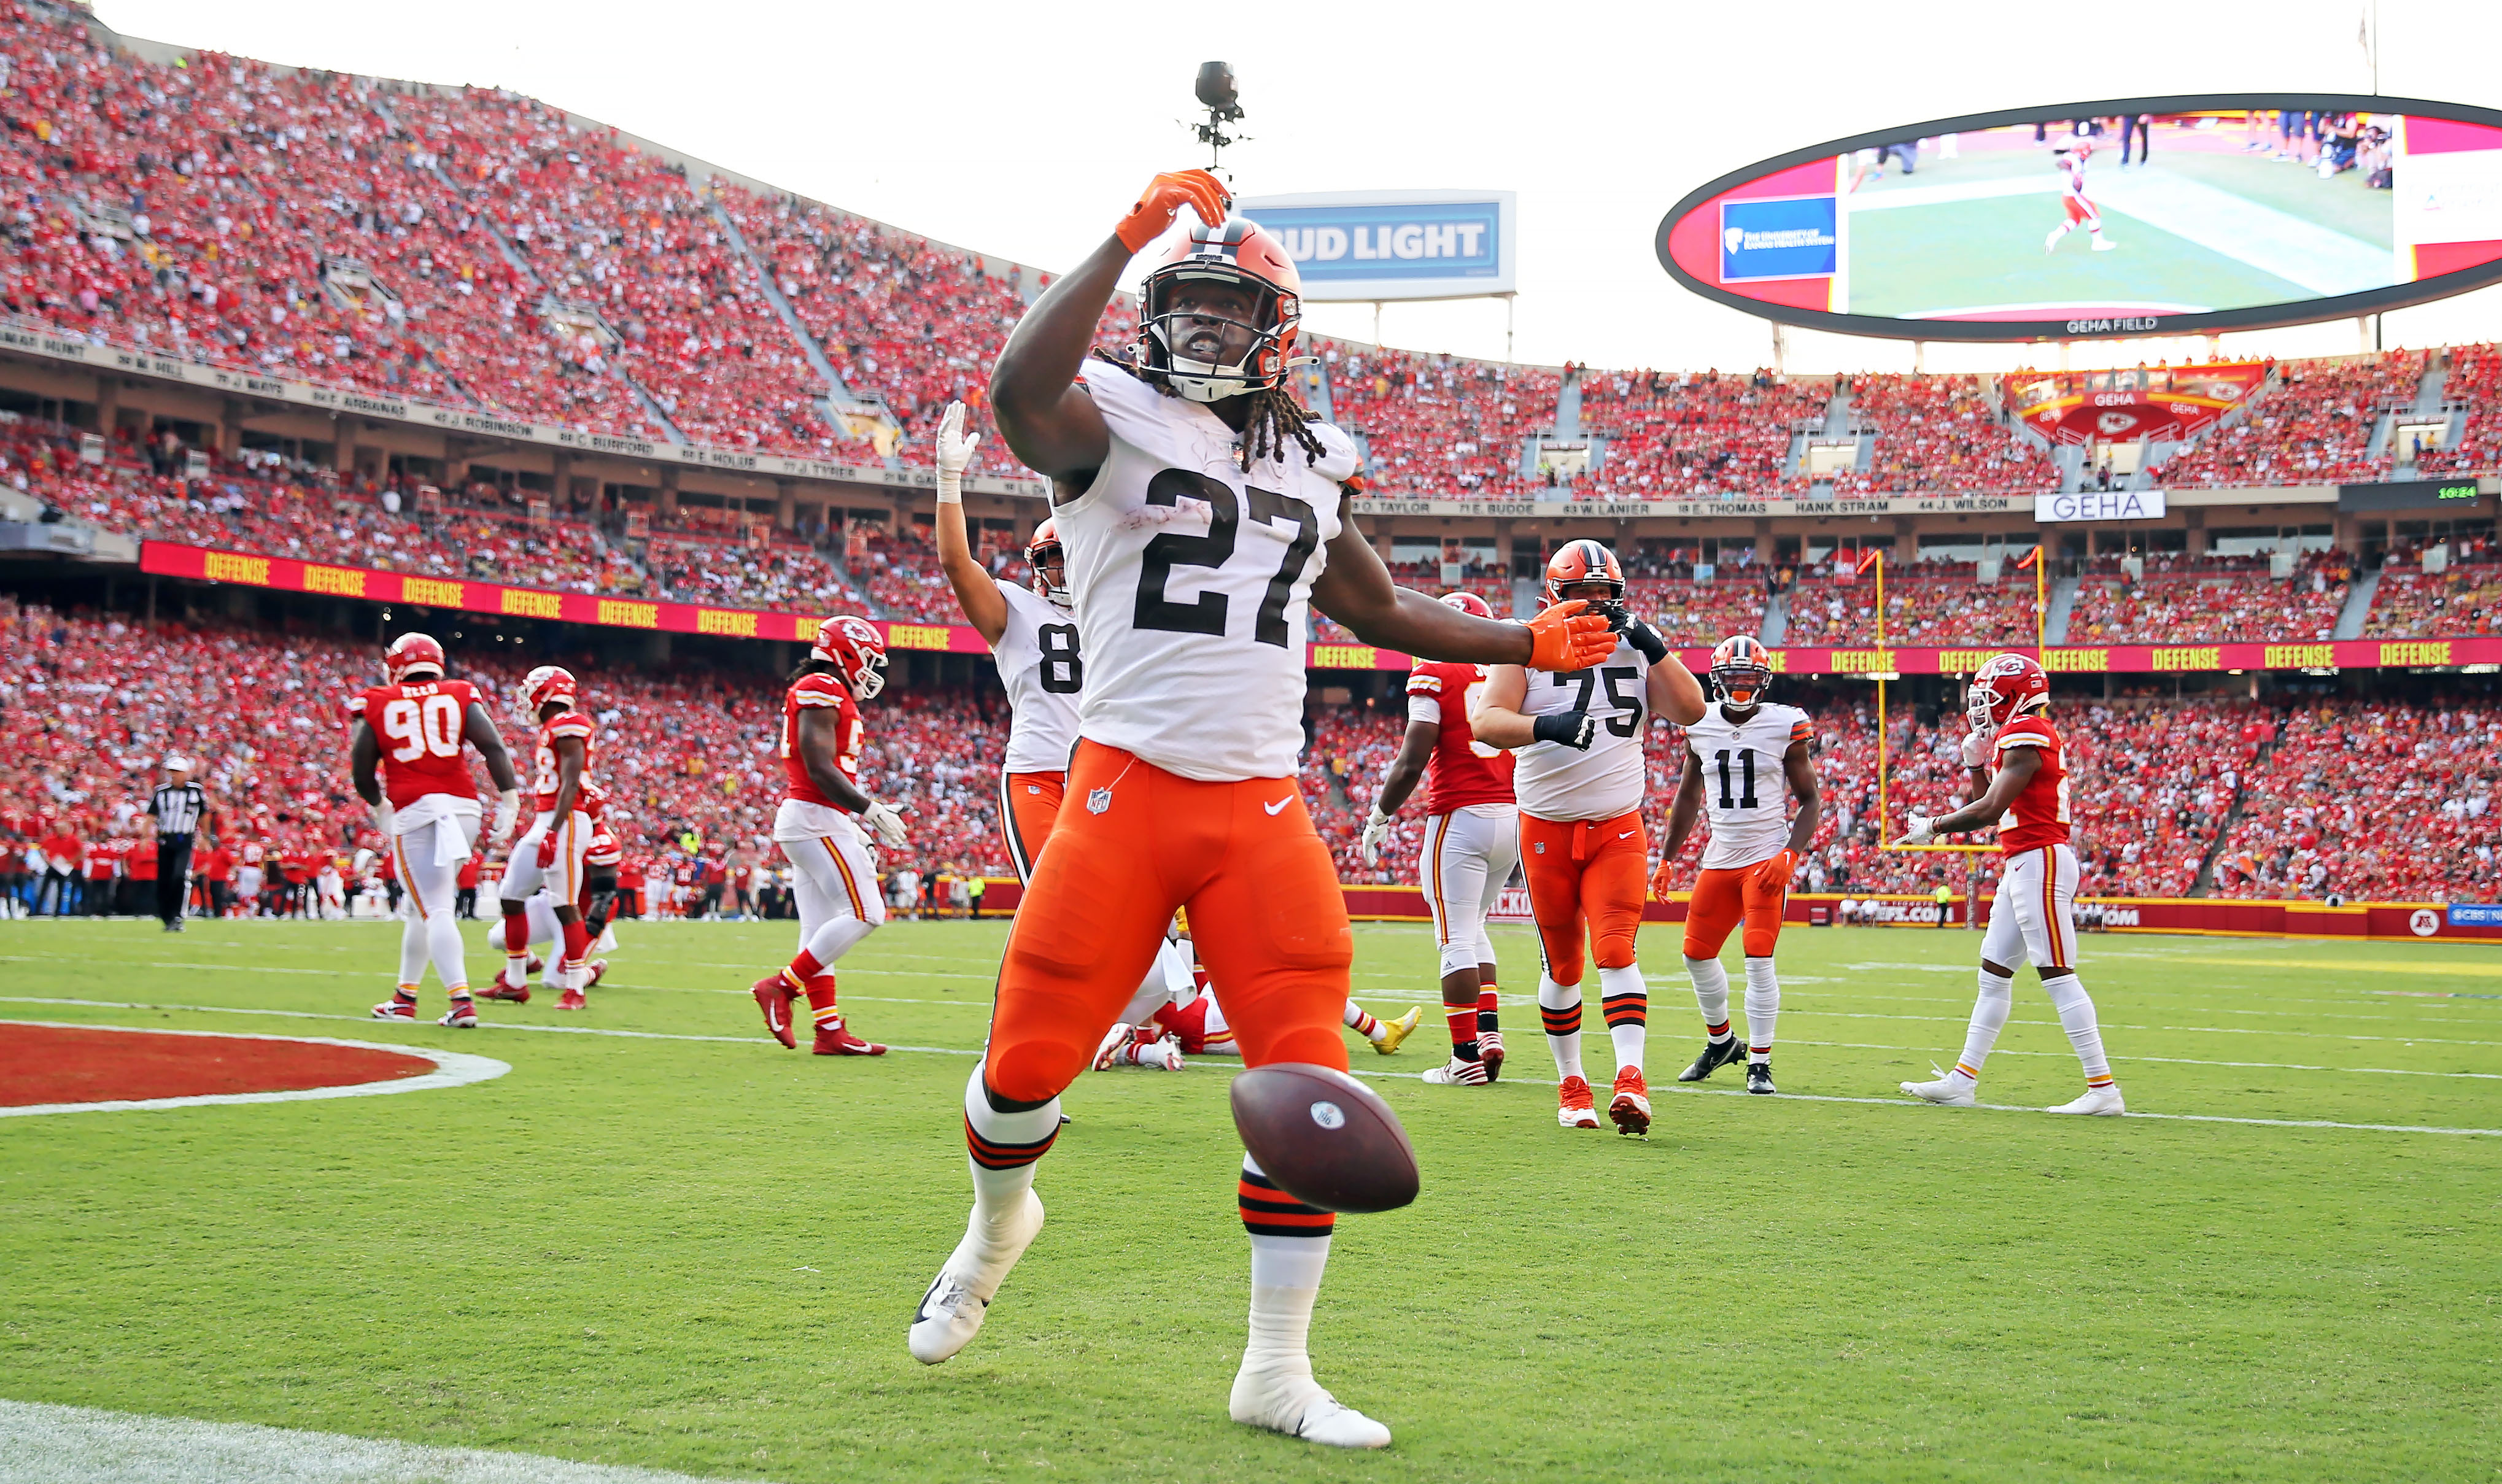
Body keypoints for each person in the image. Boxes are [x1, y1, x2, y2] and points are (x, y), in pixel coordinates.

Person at [905, 169, 1617, 1450]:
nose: (1197, 330)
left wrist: (1525, 638)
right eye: (1181, 305)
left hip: (1261, 811)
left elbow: (1380, 610)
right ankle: (995, 1223)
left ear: (1278, 331)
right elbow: (1017, 394)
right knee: (1021, 1074)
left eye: (1228, 313)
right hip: (1122, 793)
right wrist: (1127, 236)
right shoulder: (1107, 416)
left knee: (1307, 1077)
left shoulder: (1311, 455)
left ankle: (1274, 1372)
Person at [1474, 539, 1706, 1134]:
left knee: (1616, 950)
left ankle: (1630, 1080)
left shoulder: (1636, 646)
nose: (1593, 603)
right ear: (1553, 594)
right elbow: (1486, 722)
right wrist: (1544, 725)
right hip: (1545, 827)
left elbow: (1690, 711)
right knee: (1562, 965)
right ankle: (1571, 1083)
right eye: (1581, 592)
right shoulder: (1523, 642)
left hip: (1616, 825)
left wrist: (1654, 646)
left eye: (1604, 594)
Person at [1899, 652, 2123, 1116]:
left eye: (1990, 698)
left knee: (2057, 974)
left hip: (2040, 859)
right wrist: (1975, 766)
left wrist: (1933, 826)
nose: (1982, 707)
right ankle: (1963, 1080)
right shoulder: (2015, 736)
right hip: (2022, 862)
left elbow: (1988, 812)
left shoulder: (2030, 731)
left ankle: (2103, 1090)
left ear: (2018, 695)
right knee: (1993, 973)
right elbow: (1987, 799)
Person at [1359, 590, 1521, 1087]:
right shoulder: (1504, 670)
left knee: (1454, 939)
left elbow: (1412, 759)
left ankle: (1465, 1058)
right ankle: (1489, 1036)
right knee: (1475, 927)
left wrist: (1380, 814)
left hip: (1460, 814)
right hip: (1511, 815)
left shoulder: (1436, 670)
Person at [1656, 636, 1818, 1097]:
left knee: (1758, 957)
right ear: (1717, 680)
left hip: (1765, 859)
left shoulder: (1785, 723)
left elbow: (1810, 800)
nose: (1742, 687)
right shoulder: (1699, 722)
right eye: (1734, 678)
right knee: (1695, 954)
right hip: (1720, 857)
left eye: (1749, 679)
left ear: (1764, 682)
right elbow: (1688, 796)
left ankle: (1761, 1064)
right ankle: (1722, 1042)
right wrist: (1668, 858)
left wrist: (1790, 853)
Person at [748, 616, 910, 1056]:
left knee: (819, 928)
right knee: (866, 912)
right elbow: (819, 766)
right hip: (815, 817)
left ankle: (829, 1030)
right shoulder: (822, 685)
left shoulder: (822, 686)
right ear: (847, 653)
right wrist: (870, 811)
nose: (872, 670)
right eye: (869, 660)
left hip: (817, 818)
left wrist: (855, 824)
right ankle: (780, 986)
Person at [352, 632, 522, 1027]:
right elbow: (493, 746)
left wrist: (380, 806)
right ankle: (405, 997)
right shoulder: (460, 692)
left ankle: (460, 1001)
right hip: (463, 808)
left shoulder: (378, 699)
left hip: (418, 811)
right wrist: (510, 799)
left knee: (435, 907)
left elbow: (361, 767)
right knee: (421, 907)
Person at [491, 665, 598, 1011]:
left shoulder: (569, 724)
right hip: (546, 820)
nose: (526, 700)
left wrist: (554, 829)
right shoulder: (552, 727)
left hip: (565, 820)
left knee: (564, 904)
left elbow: (571, 781)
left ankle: (575, 988)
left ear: (546, 692)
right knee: (511, 896)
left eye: (530, 692)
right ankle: (516, 981)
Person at [145, 756, 207, 930]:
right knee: (164, 879)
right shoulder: (162, 792)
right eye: (172, 772)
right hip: (166, 838)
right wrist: (145, 836)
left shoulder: (195, 791)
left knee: (179, 876)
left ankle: (178, 916)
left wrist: (205, 836)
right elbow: (151, 815)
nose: (174, 775)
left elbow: (204, 815)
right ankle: (167, 917)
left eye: (178, 772)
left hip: (185, 838)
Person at [2044, 134, 2115, 253]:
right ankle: (2098, 243)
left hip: (2068, 196)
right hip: (2073, 196)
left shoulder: (2084, 161)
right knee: (2094, 216)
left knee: (2074, 220)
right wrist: (2074, 176)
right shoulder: (2071, 158)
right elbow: (2061, 163)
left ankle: (2054, 236)